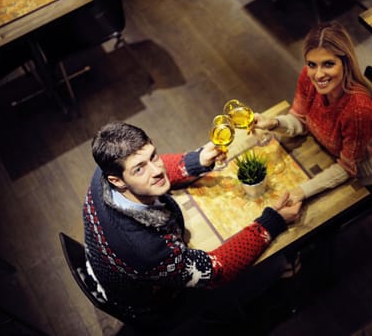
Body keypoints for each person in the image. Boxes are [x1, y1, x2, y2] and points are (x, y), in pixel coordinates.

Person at [82, 121, 302, 326]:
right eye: (139, 169)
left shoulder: (104, 168)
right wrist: (273, 222)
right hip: (155, 304)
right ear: (117, 181)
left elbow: (150, 167)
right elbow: (215, 270)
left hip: (109, 266)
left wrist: (197, 160)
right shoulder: (146, 248)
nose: (157, 170)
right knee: (279, 262)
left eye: (154, 156)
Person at [254, 21, 372, 203]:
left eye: (328, 64)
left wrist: (302, 191)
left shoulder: (357, 110)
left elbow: (348, 168)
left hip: (360, 178)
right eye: (312, 64)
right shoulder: (308, 77)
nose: (318, 75)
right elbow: (300, 120)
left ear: (346, 63)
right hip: (323, 152)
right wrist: (274, 123)